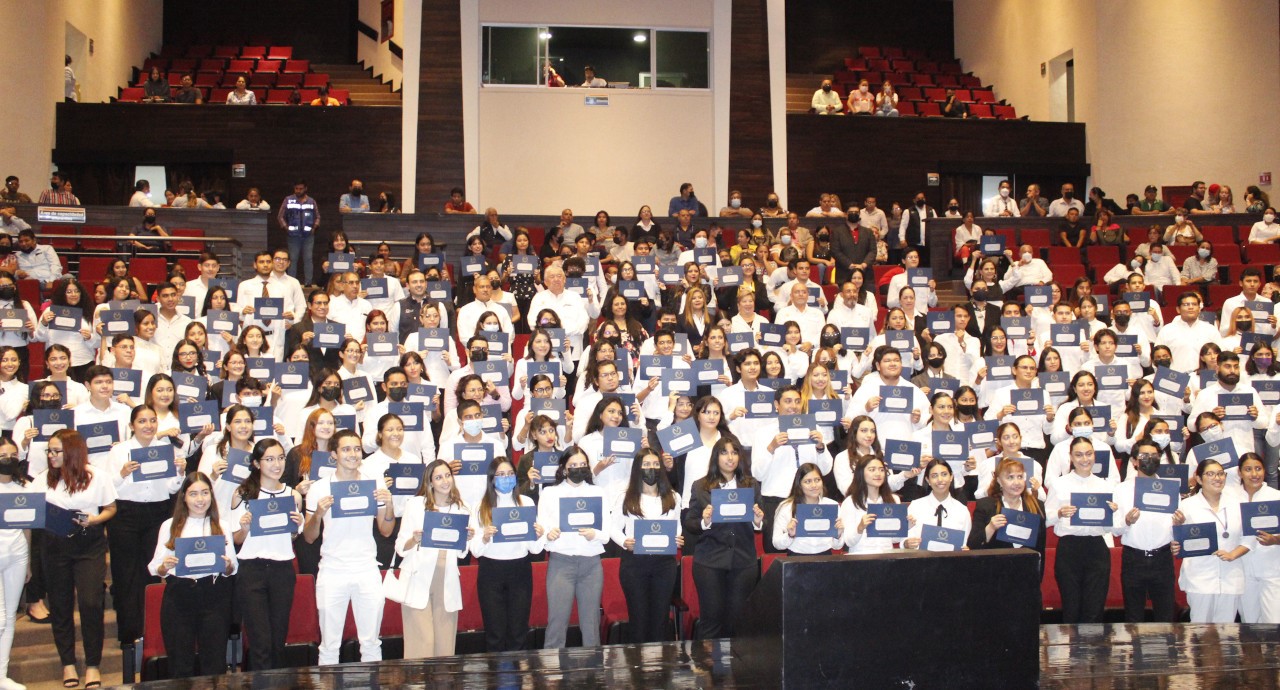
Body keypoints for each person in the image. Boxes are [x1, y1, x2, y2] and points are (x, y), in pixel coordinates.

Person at [303, 428, 395, 665]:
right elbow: (309, 537)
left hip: (367, 568)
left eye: (356, 449)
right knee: (329, 645)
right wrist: (318, 514)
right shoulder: (319, 488)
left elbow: (386, 530)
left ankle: (371, 681)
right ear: (334, 454)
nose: (353, 454)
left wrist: (389, 505)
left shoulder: (373, 484)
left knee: (371, 642)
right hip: (332, 570)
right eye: (346, 449)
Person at [37, 430, 117, 689]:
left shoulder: (97, 476)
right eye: (49, 451)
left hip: (88, 543)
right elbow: (31, 510)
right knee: (60, 604)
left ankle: (93, 664)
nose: (51, 455)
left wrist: (94, 519)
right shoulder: (42, 479)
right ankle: (68, 663)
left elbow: (111, 508)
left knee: (91, 601)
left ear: (72, 452)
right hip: (54, 545)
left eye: (56, 451)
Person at [147, 472, 237, 678]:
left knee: (214, 663)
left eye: (205, 493)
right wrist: (164, 567)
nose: (200, 499)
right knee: (180, 663)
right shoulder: (169, 525)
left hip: (214, 596)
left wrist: (227, 566)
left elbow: (233, 568)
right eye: (193, 494)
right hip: (179, 596)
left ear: (211, 495)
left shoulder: (222, 525)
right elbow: (155, 567)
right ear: (184, 497)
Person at [227, 439, 303, 670]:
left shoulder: (293, 495)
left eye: (280, 458)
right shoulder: (243, 493)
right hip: (252, 570)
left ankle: (278, 683)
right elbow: (237, 539)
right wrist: (244, 528)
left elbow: (291, 537)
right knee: (260, 642)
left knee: (278, 640)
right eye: (269, 459)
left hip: (282, 569)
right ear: (256, 463)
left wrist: (296, 526)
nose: (276, 464)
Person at [684, 437, 764, 638]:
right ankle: (708, 660)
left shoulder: (750, 485)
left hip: (743, 562)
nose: (730, 457)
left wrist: (758, 521)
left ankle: (733, 661)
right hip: (710, 562)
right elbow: (690, 523)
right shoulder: (701, 486)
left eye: (735, 452)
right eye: (724, 452)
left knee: (737, 622)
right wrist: (705, 522)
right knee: (711, 622)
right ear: (716, 457)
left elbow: (763, 521)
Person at [396, 459, 473, 659]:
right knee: (422, 645)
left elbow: (462, 554)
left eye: (448, 475)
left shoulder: (462, 508)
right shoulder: (415, 505)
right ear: (430, 482)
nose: (445, 481)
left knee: (444, 648)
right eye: (438, 477)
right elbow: (400, 547)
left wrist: (466, 539)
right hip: (417, 577)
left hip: (446, 579)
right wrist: (414, 539)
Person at [537, 445, 608, 648]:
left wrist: (595, 534)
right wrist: (548, 534)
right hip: (561, 563)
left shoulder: (598, 492)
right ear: (564, 468)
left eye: (583, 464)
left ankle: (593, 667)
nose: (579, 468)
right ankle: (552, 666)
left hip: (591, 564)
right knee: (557, 622)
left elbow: (606, 534)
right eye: (573, 465)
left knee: (591, 623)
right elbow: (541, 528)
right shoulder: (550, 493)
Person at [469, 457, 543, 652]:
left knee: (518, 632)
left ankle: (516, 671)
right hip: (491, 572)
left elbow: (535, 549)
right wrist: (484, 537)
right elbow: (474, 550)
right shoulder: (480, 506)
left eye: (510, 474)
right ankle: (496, 672)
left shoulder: (526, 502)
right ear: (492, 479)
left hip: (520, 570)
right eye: (501, 474)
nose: (506, 478)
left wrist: (538, 535)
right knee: (495, 633)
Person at [611, 447, 683, 642]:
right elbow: (612, 527)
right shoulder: (625, 497)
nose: (652, 468)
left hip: (664, 565)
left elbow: (677, 525)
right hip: (634, 564)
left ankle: (658, 661)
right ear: (638, 468)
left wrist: (678, 537)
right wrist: (624, 542)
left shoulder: (674, 497)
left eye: (656, 464)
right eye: (646, 464)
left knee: (660, 619)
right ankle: (638, 661)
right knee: (639, 619)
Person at [1045, 436, 1117, 624]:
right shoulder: (1059, 484)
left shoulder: (1105, 485)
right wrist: (1059, 513)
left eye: (1088, 454)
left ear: (1094, 455)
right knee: (1072, 608)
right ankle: (1071, 645)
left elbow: (1112, 528)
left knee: (1094, 610)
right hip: (1069, 549)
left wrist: (1113, 513)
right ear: (1070, 457)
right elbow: (1045, 519)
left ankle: (1092, 644)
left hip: (1096, 548)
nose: (1084, 459)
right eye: (1078, 455)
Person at [1173, 459, 1252, 623]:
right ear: (1199, 479)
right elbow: (1177, 540)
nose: (1217, 478)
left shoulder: (1238, 503)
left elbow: (1249, 537)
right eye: (1210, 474)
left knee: (1226, 631)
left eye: (1220, 474)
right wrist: (1176, 539)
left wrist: (1233, 554)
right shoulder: (1187, 506)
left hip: (1231, 576)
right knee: (1200, 630)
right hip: (1200, 577)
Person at [1111, 438, 1178, 623]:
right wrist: (1127, 521)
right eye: (1144, 455)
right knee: (1133, 617)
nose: (1150, 459)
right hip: (1134, 558)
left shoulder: (1171, 488)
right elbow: (1115, 529)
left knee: (1165, 617)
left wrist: (1179, 525)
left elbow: (1176, 530)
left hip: (1162, 558)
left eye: (1154, 455)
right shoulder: (1121, 490)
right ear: (1134, 461)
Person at [0, 437, 29, 690]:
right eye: (3, 456)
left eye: (13, 455)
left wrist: (28, 562)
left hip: (18, 552)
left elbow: (28, 524)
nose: (8, 460)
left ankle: (1, 676)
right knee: (0, 618)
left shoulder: (23, 486)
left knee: (10, 617)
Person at [1238, 453, 1280, 624]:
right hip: (1242, 570)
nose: (1254, 474)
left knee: (1274, 623)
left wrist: (1275, 540)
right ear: (1239, 472)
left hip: (1272, 571)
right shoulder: (1230, 498)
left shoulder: (1276, 496)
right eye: (1248, 469)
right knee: (1249, 624)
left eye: (1258, 468)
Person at [772, 463, 843, 555]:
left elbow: (837, 546)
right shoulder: (786, 507)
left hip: (825, 557)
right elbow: (776, 544)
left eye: (817, 480)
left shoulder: (832, 505)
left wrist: (838, 534)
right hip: (797, 557)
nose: (814, 485)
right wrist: (790, 535)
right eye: (808, 481)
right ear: (799, 484)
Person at [904, 460, 972, 549]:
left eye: (944, 474)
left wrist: (965, 551)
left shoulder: (962, 510)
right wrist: (906, 544)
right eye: (934, 476)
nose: (940, 480)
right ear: (928, 480)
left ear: (951, 477)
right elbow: (904, 539)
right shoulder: (915, 506)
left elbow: (963, 543)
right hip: (920, 557)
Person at [278, 181, 320, 286]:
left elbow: (318, 216)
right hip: (293, 236)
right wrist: (286, 228)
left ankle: (308, 283)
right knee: (292, 259)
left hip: (308, 235)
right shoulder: (288, 200)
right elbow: (280, 216)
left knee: (308, 259)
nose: (298, 191)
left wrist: (314, 227)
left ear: (305, 189)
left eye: (300, 189)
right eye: (296, 188)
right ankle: (291, 283)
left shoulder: (311, 201)